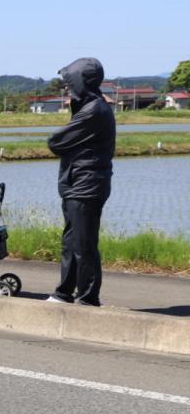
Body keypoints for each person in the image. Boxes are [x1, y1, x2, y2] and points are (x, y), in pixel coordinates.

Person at [47, 57, 115, 307]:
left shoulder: (94, 110)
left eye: (69, 83)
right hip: (77, 183)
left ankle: (88, 298)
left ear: (81, 81)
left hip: (87, 184)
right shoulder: (88, 107)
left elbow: (56, 142)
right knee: (71, 241)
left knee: (84, 244)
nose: (66, 88)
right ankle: (64, 293)